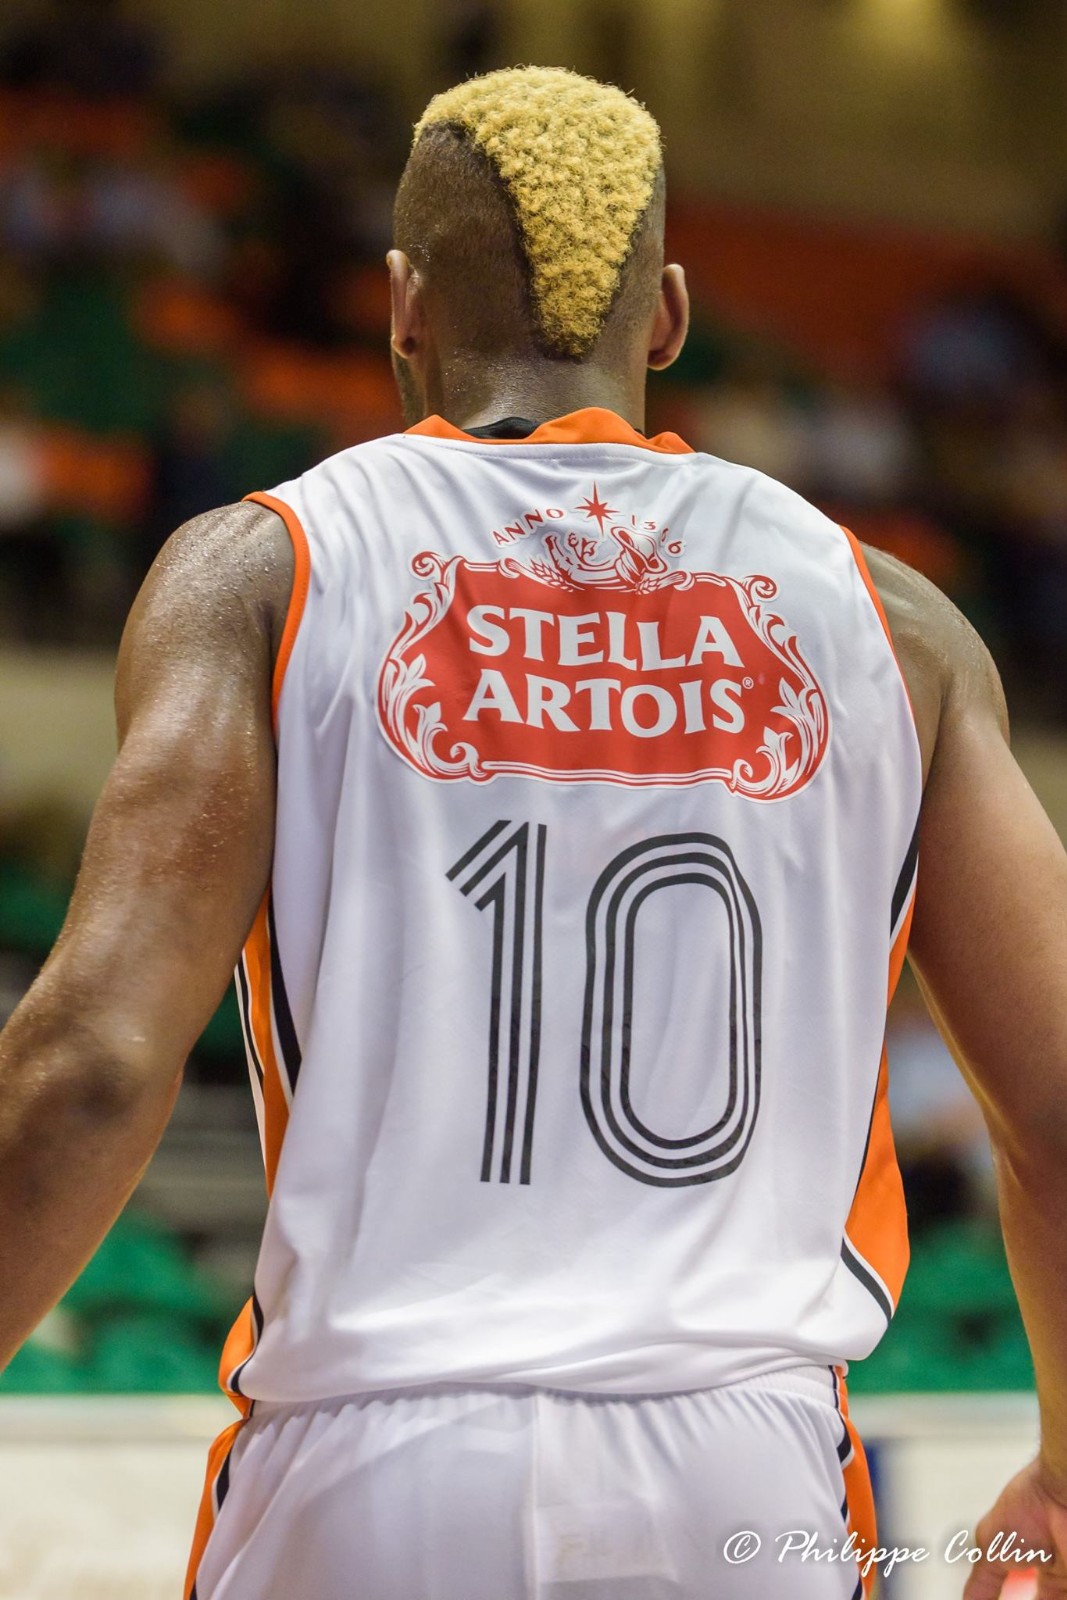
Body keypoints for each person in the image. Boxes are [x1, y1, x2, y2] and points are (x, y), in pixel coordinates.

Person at [0, 65, 1065, 1600]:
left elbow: (95, 1063)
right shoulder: (892, 625)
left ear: (401, 307)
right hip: (746, 1477)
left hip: (371, 1467)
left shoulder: (265, 572)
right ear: (671, 317)